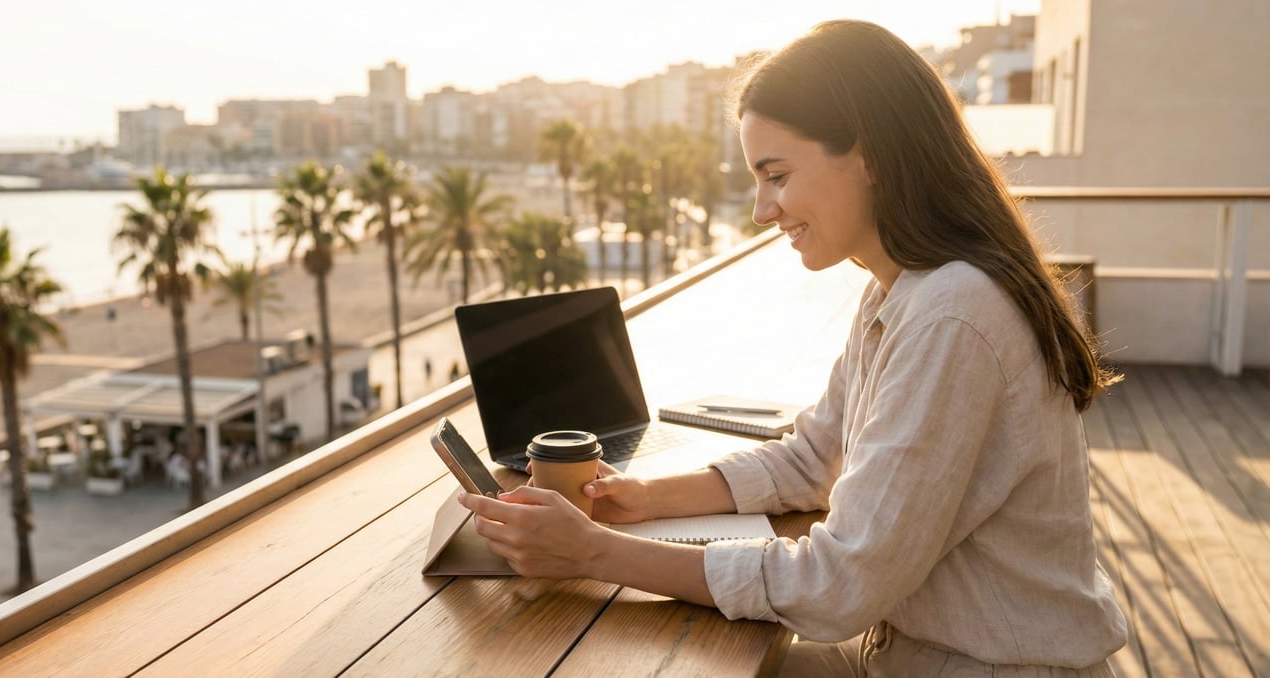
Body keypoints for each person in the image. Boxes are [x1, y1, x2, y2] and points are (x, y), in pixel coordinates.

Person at [460, 20, 1126, 677]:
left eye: (776, 174)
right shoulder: (900, 292)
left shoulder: (952, 313)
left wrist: (593, 553)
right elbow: (816, 457)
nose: (761, 209)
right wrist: (642, 499)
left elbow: (839, 585)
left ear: (868, 153)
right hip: (912, 652)